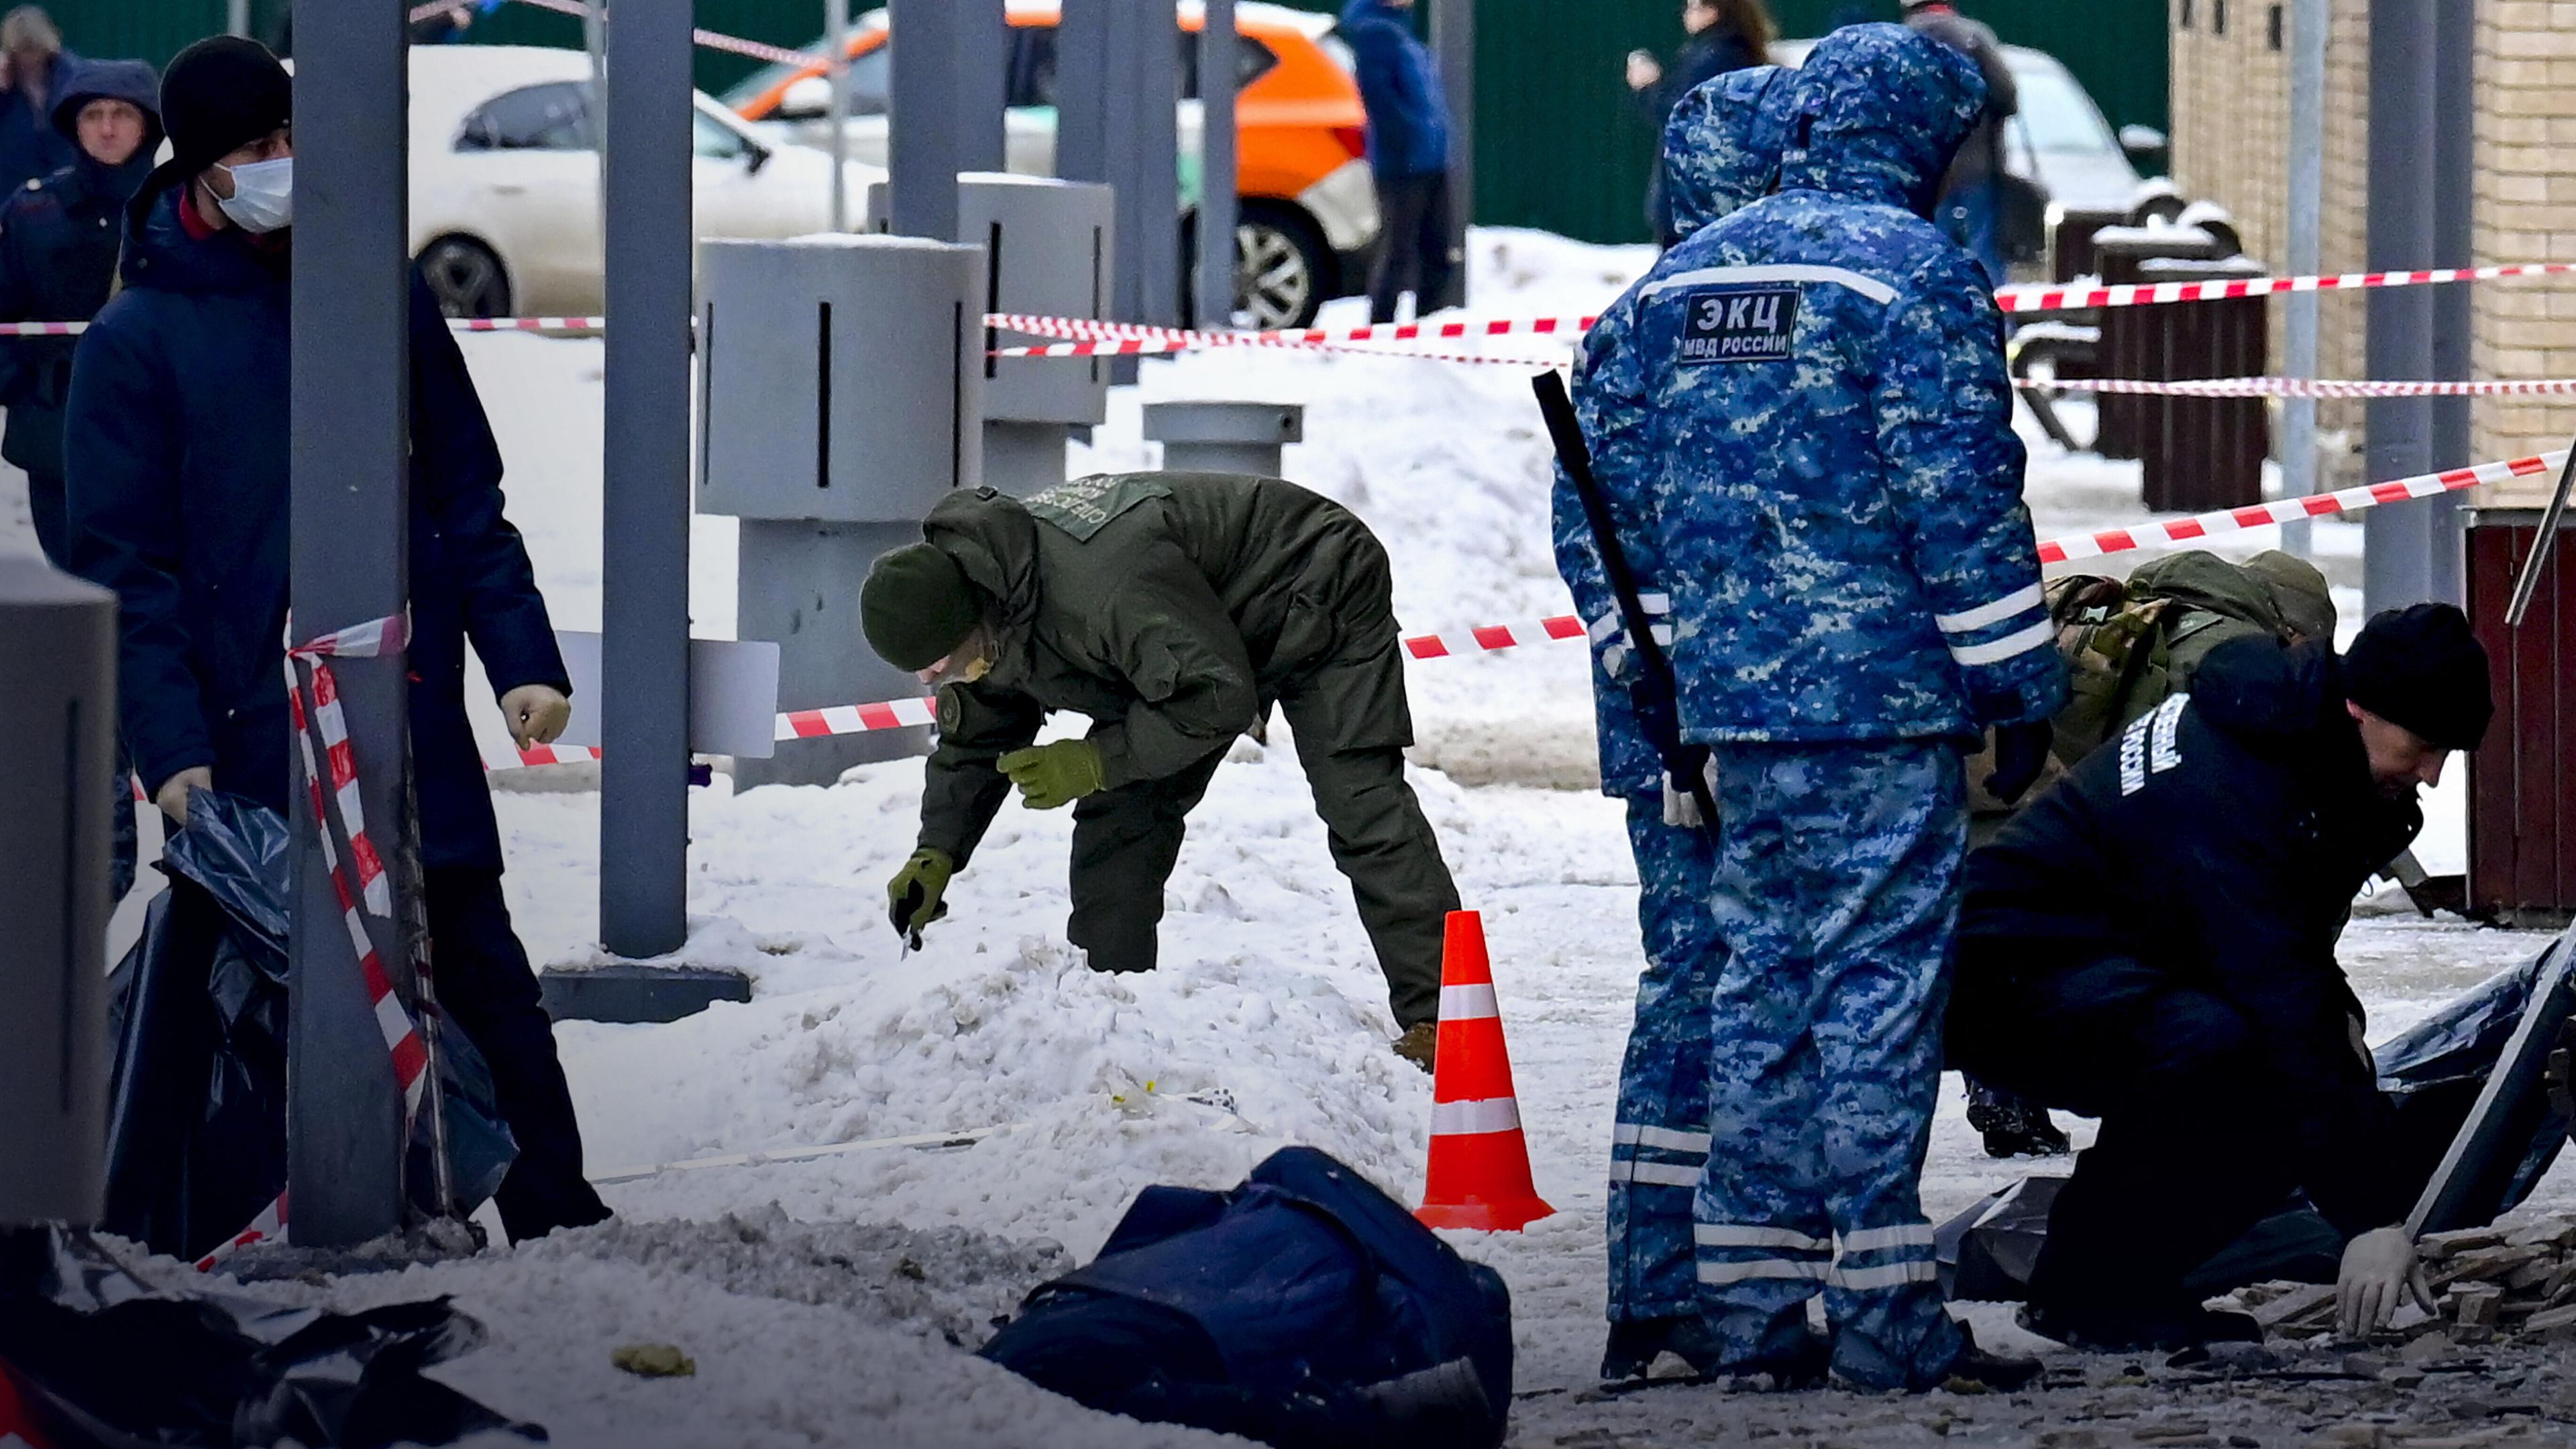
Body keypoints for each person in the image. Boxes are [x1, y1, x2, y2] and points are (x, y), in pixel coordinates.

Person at [1572, 25, 2062, 1391]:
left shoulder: (1675, 284)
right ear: (1918, 136)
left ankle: (1743, 1311)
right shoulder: (1913, 278)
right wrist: (2017, 681)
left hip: (1729, 723)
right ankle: (1891, 1319)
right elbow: (1961, 503)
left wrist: (1664, 682)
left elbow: (1613, 517)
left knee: (1757, 995)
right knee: (1878, 997)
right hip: (1877, 714)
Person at [63, 36, 609, 1243]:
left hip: (402, 717)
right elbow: (125, 576)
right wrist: (171, 752)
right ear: (202, 170)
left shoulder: (379, 291)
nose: (286, 166)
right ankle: (181, 1231)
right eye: (258, 151)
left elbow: (466, 495)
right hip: (242, 744)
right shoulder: (138, 343)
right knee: (236, 1003)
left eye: (295, 140)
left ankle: (562, 1221)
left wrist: (522, 659)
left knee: (480, 972)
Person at [1947, 604, 2493, 1350]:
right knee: (2235, 1058)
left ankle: (2101, 1287)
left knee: (2289, 1058)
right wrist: (2371, 1217)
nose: (2431, 776)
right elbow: (2273, 989)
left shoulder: (2296, 738)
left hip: (2108, 960)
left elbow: (2285, 954)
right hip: (2004, 975)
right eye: (2424, 747)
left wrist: (2344, 1026)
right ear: (2359, 707)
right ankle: (2093, 1292)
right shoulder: (2232, 781)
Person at [861, 471, 1464, 1071]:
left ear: (970, 623)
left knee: (1360, 803)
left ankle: (1447, 1021)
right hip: (1192, 636)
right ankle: (1110, 1013)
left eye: (942, 665)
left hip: (1312, 581)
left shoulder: (1100, 588)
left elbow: (1217, 697)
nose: (937, 681)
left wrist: (1096, 759)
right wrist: (936, 851)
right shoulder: (991, 601)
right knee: (1120, 813)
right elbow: (976, 738)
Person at [1556, 61, 1799, 1383]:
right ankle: (1719, 1283)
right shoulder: (1742, 312)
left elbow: (1592, 546)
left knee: (1691, 984)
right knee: (1738, 984)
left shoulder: (1637, 322)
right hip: (1735, 720)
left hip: (1675, 715)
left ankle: (1662, 1284)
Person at [1958, 547, 2336, 1160]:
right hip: (2035, 790)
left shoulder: (2154, 607)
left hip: (1995, 771)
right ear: (2295, 626)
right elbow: (2172, 780)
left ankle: (2005, 1086)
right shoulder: (2228, 652)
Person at [0, 56, 158, 904]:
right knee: (82, 626)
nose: (106, 129)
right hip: (58, 454)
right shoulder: (30, 209)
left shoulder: (172, 210)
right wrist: (29, 387)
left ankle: (176, 822)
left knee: (153, 625)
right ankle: (101, 836)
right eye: (92, 114)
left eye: (121, 115)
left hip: (152, 455)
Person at [1339, 0, 1456, 324]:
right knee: (1400, 252)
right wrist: (1409, 141)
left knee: (1435, 251)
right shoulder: (1376, 33)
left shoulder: (1398, 30)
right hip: (1404, 163)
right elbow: (1381, 100)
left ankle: (1430, 328)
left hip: (1428, 158)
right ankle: (1382, 330)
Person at [1624, 0, 1774, 246]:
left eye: (1692, 6)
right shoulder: (1739, 53)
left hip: (1692, 196)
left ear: (1713, 11)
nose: (1685, 13)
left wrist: (1647, 87)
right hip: (1721, 193)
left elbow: (1681, 113)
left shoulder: (1710, 57)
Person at [1900, 0, 2016, 286]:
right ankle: (1994, 323)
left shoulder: (1901, 41)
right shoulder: (1974, 37)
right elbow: (2006, 92)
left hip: (1926, 170)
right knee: (1983, 250)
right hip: (1976, 166)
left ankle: (1935, 320)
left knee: (1930, 250)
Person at [0, 7, 74, 198]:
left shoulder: (70, 76)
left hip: (63, 181)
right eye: (23, 51)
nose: (30, 59)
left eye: (34, 50)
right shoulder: (6, 83)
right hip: (11, 186)